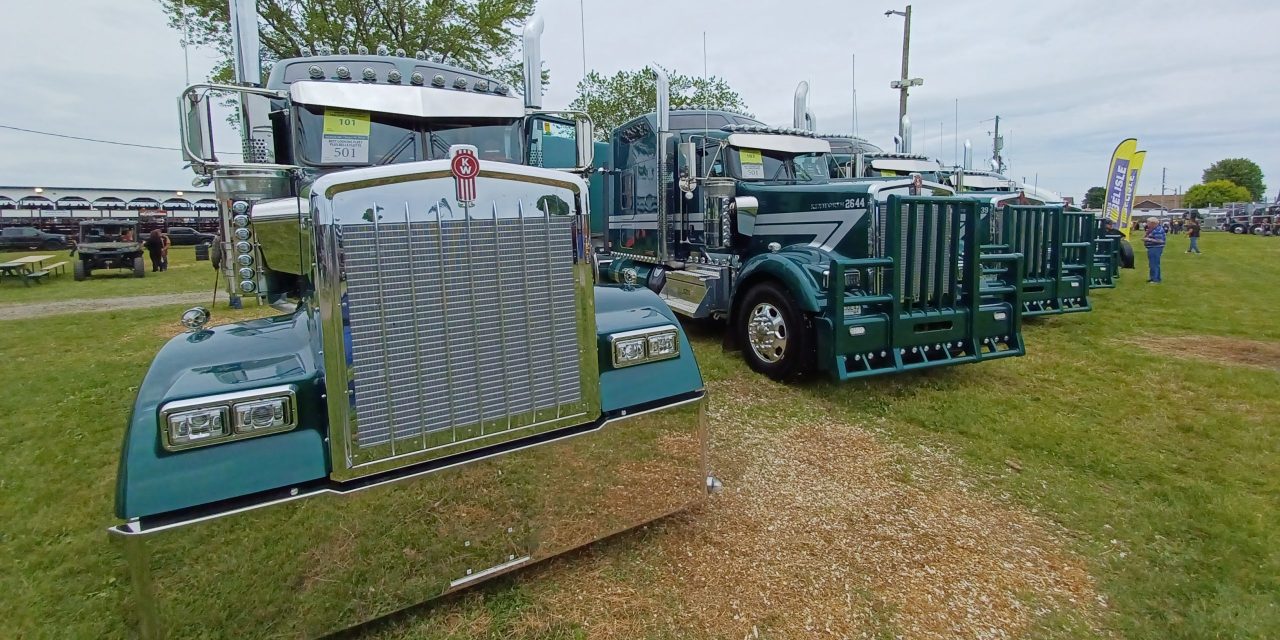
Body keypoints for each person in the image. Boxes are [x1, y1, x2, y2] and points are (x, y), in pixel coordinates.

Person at [1143, 216, 1166, 283]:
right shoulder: (1153, 229)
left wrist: (1148, 239)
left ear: (1153, 223)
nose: (1147, 224)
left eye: (1148, 223)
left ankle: (1155, 279)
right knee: (1153, 264)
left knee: (1154, 264)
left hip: (1155, 248)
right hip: (1152, 248)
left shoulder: (1158, 230)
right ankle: (1154, 278)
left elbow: (1160, 240)